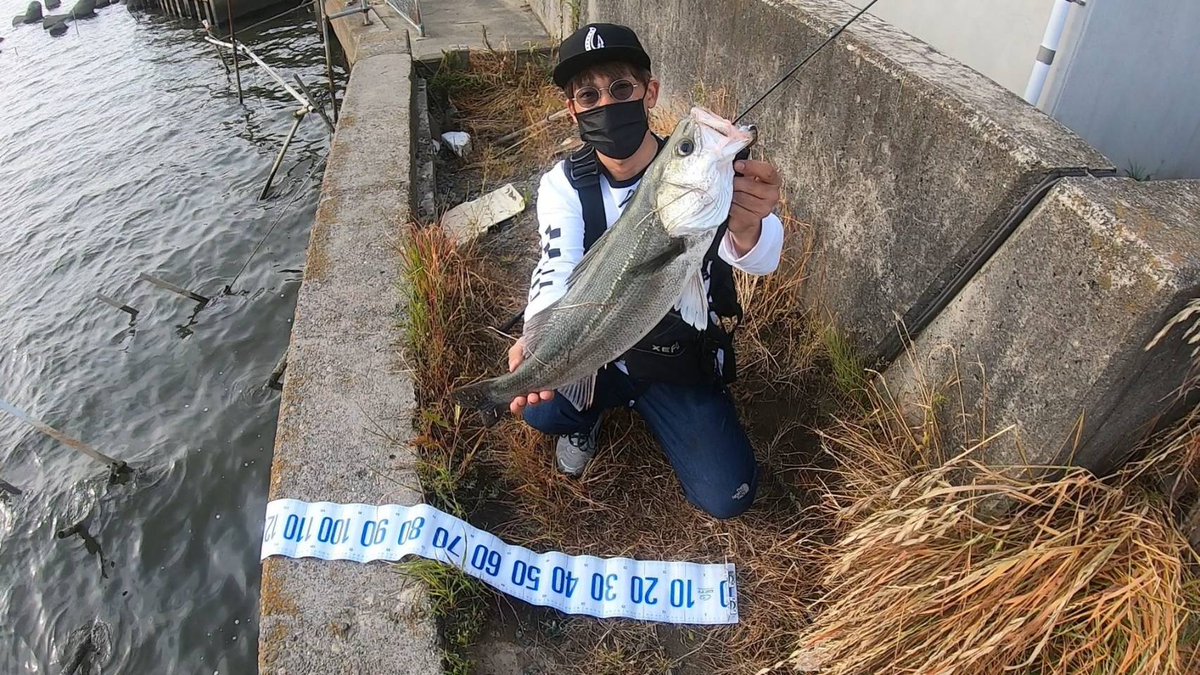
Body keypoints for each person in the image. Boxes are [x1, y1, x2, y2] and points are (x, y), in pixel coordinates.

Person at [510, 23, 785, 519]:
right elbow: (556, 263)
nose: (605, 103)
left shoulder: (706, 176)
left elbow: (762, 260)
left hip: (676, 358)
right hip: (599, 352)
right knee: (541, 405)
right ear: (573, 111)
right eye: (589, 96)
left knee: (727, 497)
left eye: (621, 88)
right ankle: (586, 413)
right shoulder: (563, 184)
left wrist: (747, 224)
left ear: (650, 92)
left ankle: (662, 409)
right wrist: (537, 336)